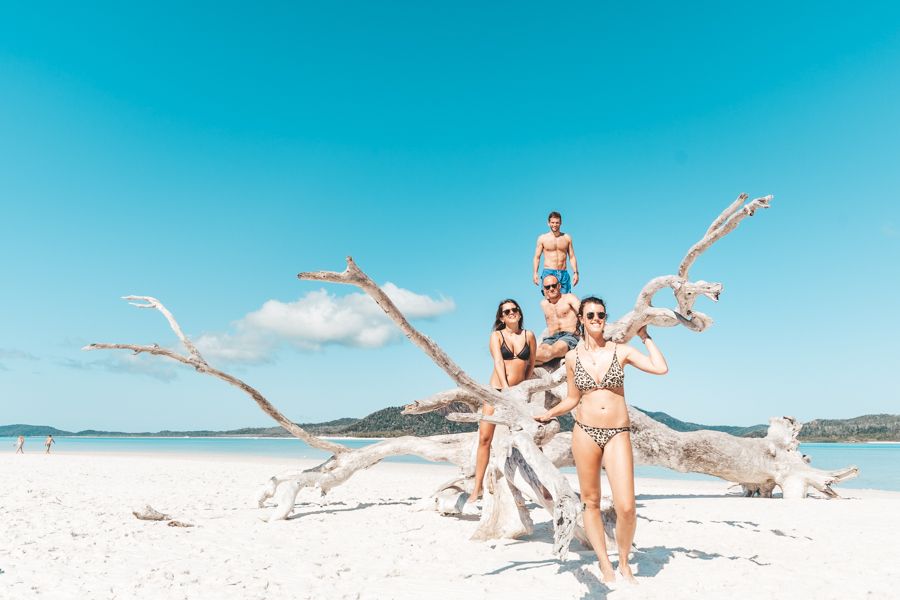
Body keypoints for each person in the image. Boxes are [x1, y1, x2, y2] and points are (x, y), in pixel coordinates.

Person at [535, 297, 668, 584]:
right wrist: (548, 414)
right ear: (580, 319)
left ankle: (623, 560)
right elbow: (572, 398)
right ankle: (605, 563)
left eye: (601, 315)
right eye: (590, 315)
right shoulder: (572, 358)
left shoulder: (621, 351)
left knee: (626, 507)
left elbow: (660, 368)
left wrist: (645, 336)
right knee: (591, 502)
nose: (596, 319)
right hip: (584, 432)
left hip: (617, 432)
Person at [463, 299, 536, 515]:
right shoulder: (496, 336)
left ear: (520, 313)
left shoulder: (528, 336)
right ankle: (476, 490)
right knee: (485, 439)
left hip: (518, 394)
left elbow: (530, 363)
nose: (512, 313)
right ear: (501, 317)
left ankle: (537, 486)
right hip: (496, 391)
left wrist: (523, 389)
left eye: (515, 310)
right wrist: (506, 391)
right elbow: (498, 362)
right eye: (507, 311)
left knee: (528, 439)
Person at [535, 274, 580, 365]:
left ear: (559, 286)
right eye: (547, 287)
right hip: (550, 338)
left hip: (569, 336)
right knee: (538, 351)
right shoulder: (544, 304)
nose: (551, 289)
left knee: (549, 353)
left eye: (554, 285)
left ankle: (520, 358)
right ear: (544, 289)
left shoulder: (569, 298)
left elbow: (584, 312)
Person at [533, 211, 579, 293]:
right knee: (550, 301)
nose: (554, 225)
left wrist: (575, 273)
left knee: (566, 300)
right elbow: (537, 257)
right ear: (548, 223)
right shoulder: (542, 238)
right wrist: (535, 273)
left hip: (563, 272)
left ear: (561, 223)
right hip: (549, 271)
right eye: (552, 222)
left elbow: (572, 257)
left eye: (557, 222)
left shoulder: (567, 238)